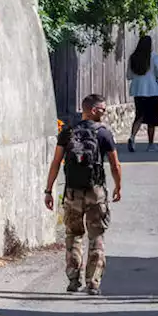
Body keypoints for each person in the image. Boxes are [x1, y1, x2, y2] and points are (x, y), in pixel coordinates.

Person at [45, 94, 123, 295]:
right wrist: (118, 186)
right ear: (94, 110)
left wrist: (49, 190)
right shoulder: (103, 134)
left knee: (73, 235)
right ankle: (93, 282)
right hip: (95, 191)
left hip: (72, 191)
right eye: (103, 110)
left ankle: (73, 279)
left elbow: (56, 162)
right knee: (96, 235)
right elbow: (115, 164)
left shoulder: (68, 132)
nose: (105, 113)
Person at [126, 35, 158, 152]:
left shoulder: (133, 57)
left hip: (138, 91)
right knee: (152, 119)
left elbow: (129, 76)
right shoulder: (154, 57)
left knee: (139, 115)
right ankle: (150, 144)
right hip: (152, 91)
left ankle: (132, 137)